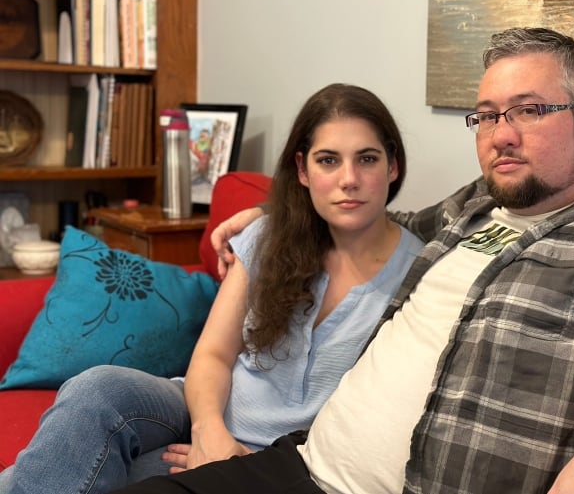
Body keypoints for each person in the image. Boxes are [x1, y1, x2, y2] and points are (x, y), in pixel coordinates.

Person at [113, 27, 574, 494]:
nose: (500, 135)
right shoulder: (472, 209)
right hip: (301, 466)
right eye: (486, 116)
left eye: (529, 111)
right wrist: (278, 209)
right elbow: (372, 217)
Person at [0, 83, 424, 494]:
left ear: (393, 166)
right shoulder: (268, 236)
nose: (348, 179)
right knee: (95, 389)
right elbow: (214, 354)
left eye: (367, 159)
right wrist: (210, 433)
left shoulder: (422, 275)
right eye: (328, 160)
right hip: (202, 411)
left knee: (74, 475)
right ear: (302, 170)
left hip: (281, 462)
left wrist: (229, 460)